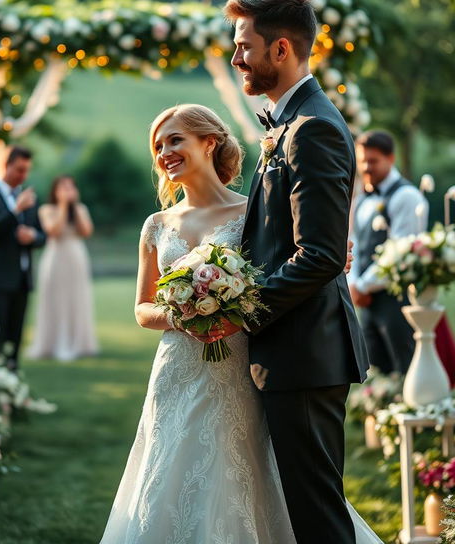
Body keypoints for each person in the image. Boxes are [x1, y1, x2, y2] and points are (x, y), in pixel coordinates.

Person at [100, 103, 380, 544]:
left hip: (241, 364)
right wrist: (184, 313)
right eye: (158, 145)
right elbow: (142, 308)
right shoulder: (156, 225)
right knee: (169, 470)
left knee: (244, 469)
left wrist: (335, 259)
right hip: (177, 369)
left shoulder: (253, 213)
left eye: (176, 140)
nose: (165, 152)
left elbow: (305, 258)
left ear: (209, 141)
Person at [225, 0, 373, 543]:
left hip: (306, 353)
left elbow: (320, 255)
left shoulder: (311, 129)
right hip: (294, 351)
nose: (237, 57)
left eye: (245, 46)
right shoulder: (287, 125)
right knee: (302, 511)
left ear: (280, 49)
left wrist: (239, 309)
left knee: (317, 519)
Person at [348, 131, 428, 374]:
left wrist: (362, 287)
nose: (366, 167)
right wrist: (353, 284)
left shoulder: (407, 196)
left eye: (372, 161)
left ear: (390, 158)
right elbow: (356, 244)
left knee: (405, 368)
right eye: (362, 161)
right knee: (377, 372)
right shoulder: (362, 199)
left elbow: (400, 251)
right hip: (367, 302)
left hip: (398, 300)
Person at [0, 146, 45, 369]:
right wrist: (14, 211)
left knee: (16, 334)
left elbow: (42, 235)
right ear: (6, 166)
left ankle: (12, 379)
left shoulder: (27, 196)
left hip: (23, 277)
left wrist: (33, 236)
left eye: (26, 171)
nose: (23, 176)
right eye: (19, 169)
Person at [28, 176, 97, 361]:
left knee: (77, 298)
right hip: (56, 259)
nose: (68, 190)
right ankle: (52, 343)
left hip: (76, 258)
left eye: (71, 187)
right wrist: (63, 205)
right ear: (55, 191)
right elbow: (54, 231)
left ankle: (78, 342)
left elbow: (86, 231)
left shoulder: (81, 209)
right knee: (56, 299)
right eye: (63, 187)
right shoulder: (47, 210)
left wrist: (75, 207)